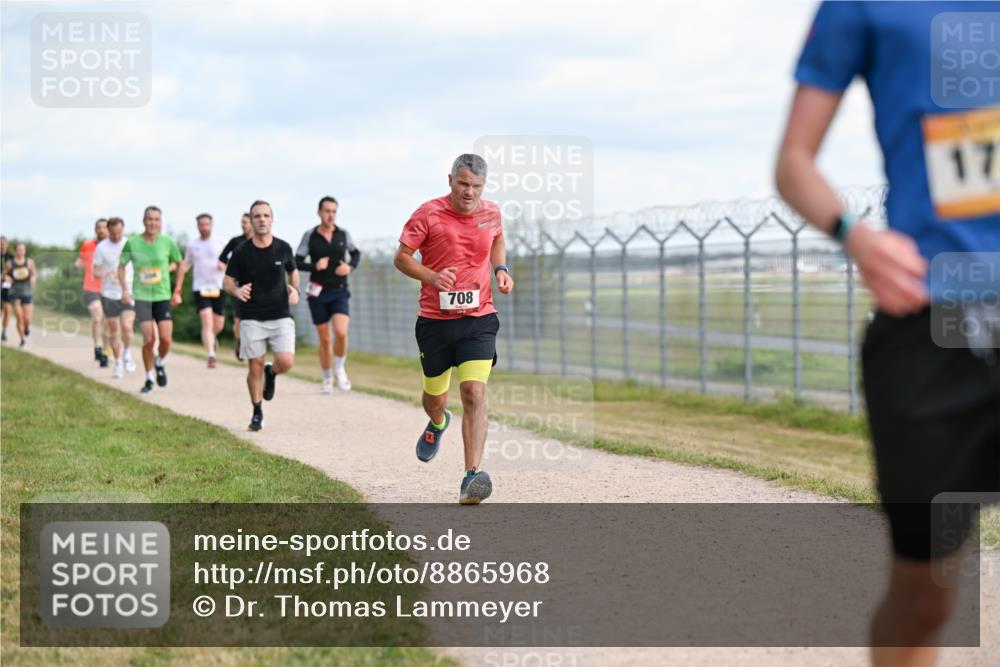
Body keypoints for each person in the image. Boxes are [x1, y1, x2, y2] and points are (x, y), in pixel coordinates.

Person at [775, 3, 1000, 666]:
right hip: (932, 329)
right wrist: (856, 237)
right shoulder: (862, 7)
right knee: (926, 594)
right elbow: (793, 160)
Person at [394, 154, 513, 505]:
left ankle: (471, 476)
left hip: (479, 318)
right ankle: (438, 421)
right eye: (463, 184)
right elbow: (401, 258)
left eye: (477, 186)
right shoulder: (428, 213)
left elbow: (497, 239)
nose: (469, 192)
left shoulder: (491, 212)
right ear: (450, 180)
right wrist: (431, 276)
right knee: (436, 398)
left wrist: (501, 269)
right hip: (435, 322)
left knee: (474, 392)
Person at [223, 200, 300, 431]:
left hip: (280, 314)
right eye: (257, 216)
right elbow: (226, 281)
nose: (261, 219)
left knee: (286, 361)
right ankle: (257, 411)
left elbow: (293, 271)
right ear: (251, 220)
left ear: (272, 219)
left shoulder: (283, 247)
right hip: (252, 316)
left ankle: (272, 372)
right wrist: (237, 291)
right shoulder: (241, 251)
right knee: (254, 365)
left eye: (266, 215)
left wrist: (294, 289)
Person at [295, 196, 361, 393]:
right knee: (324, 339)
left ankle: (339, 369)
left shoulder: (343, 234)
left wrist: (349, 268)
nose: (330, 215)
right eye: (327, 211)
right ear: (319, 212)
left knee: (341, 332)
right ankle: (326, 377)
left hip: (339, 291)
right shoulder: (310, 236)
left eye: (334, 211)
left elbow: (356, 254)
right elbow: (296, 261)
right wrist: (315, 265)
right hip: (318, 293)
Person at [119, 206, 185, 393]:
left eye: (157, 219)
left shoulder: (168, 242)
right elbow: (121, 266)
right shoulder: (132, 243)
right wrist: (125, 289)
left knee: (165, 340)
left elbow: (181, 265)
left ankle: (160, 362)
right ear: (143, 221)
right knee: (149, 340)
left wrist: (177, 290)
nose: (153, 223)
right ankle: (149, 378)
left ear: (160, 222)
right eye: (150, 219)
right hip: (142, 297)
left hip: (163, 296)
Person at [92, 217, 136, 378]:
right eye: (114, 233)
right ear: (108, 231)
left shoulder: (130, 244)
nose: (117, 237)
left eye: (119, 233)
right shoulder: (102, 248)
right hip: (109, 294)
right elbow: (95, 271)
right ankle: (117, 362)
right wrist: (106, 274)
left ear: (123, 230)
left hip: (128, 291)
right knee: (114, 330)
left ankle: (127, 353)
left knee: (127, 327)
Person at [184, 213, 227, 368]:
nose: (204, 227)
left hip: (218, 287)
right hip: (200, 287)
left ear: (211, 224)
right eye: (201, 225)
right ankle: (211, 356)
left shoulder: (221, 242)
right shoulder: (192, 245)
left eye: (206, 224)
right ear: (197, 226)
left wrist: (225, 265)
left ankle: (211, 339)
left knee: (218, 324)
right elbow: (186, 264)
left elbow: (233, 261)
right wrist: (179, 276)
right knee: (206, 321)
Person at [219, 213, 253, 360]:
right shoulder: (236, 241)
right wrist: (232, 267)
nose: (243, 225)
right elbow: (221, 258)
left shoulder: (261, 242)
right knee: (239, 318)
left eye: (245, 222)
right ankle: (240, 342)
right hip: (239, 286)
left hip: (258, 286)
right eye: (242, 223)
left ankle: (252, 344)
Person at [76, 218, 110, 366]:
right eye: (99, 227)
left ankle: (106, 352)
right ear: (95, 230)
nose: (101, 230)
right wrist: (78, 264)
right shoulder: (87, 244)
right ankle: (97, 346)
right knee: (97, 316)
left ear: (109, 230)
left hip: (109, 288)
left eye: (104, 227)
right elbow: (81, 260)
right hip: (90, 287)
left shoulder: (114, 246)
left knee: (107, 322)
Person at [4, 243, 36, 348]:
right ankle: (22, 338)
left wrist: (33, 278)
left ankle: (26, 326)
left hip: (27, 292)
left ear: (25, 251)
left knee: (27, 319)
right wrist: (6, 278)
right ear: (15, 251)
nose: (21, 251)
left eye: (23, 249)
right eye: (19, 250)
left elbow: (35, 273)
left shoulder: (29, 262)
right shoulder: (10, 263)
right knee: (19, 317)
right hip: (14, 293)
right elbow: (4, 274)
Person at [1, 236, 13, 343]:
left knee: (8, 310)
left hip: (7, 288)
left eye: (4, 243)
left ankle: (4, 331)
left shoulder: (11, 258)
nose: (2, 245)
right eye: (0, 243)